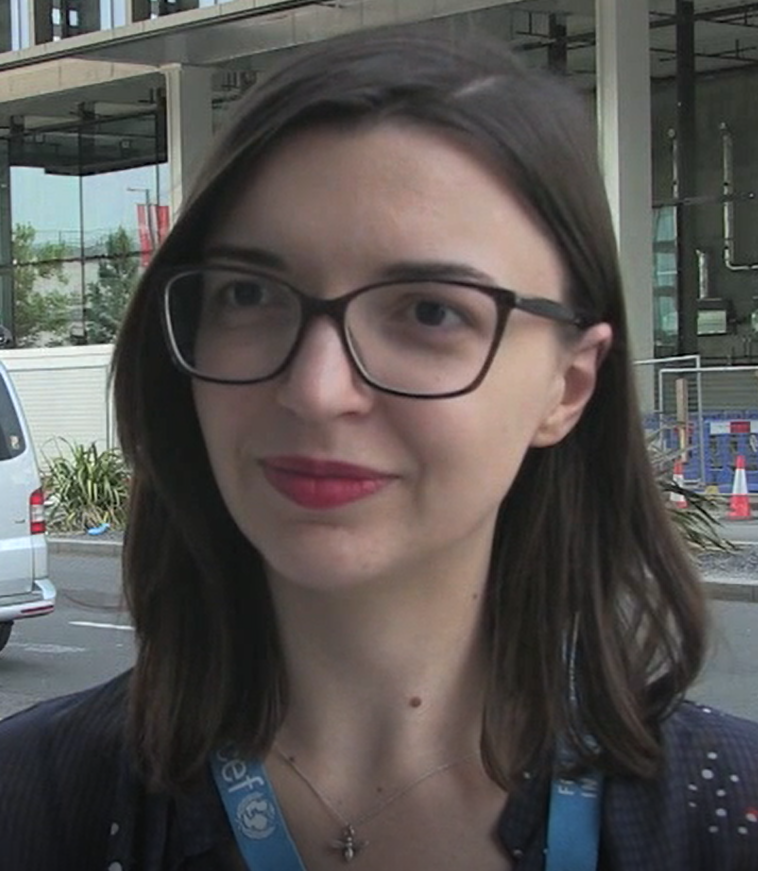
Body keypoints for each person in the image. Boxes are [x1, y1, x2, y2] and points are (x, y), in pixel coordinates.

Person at [1, 24, 757, 871]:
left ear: (569, 384)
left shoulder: (724, 814)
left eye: (431, 310)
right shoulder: (37, 803)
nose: (318, 390)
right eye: (250, 294)